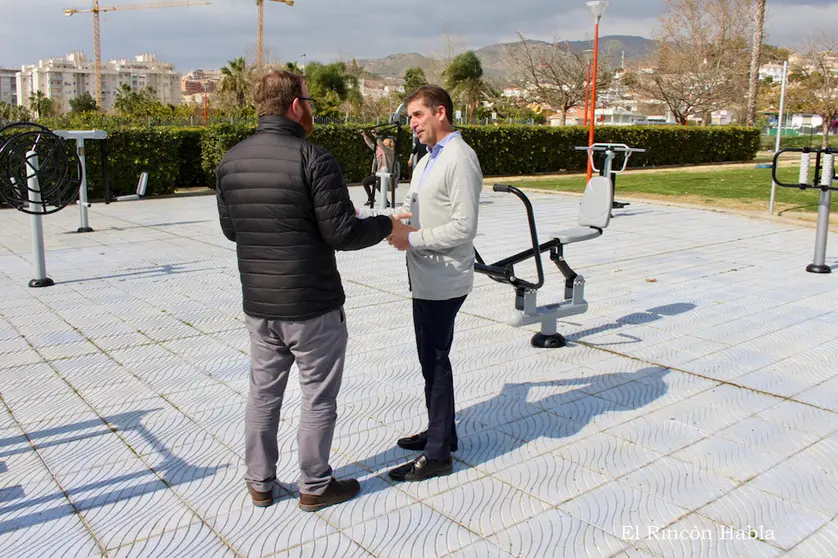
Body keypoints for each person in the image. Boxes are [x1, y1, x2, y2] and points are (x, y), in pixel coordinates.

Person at [215, 70, 403, 511]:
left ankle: (259, 482)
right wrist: (386, 224)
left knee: (263, 394)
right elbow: (341, 233)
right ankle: (315, 486)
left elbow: (231, 230)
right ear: (296, 106)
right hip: (312, 306)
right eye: (309, 100)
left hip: (260, 306)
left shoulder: (231, 161)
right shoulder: (314, 159)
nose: (312, 108)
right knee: (317, 396)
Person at [357, 85, 483, 482]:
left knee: (436, 360)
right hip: (424, 274)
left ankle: (438, 454)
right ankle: (442, 432)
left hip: (444, 277)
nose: (411, 124)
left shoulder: (459, 159)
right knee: (430, 358)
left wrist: (410, 238)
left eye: (417, 115)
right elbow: (418, 208)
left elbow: (464, 227)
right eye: (410, 117)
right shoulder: (429, 158)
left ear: (440, 112)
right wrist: (382, 218)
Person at [360, 131, 396, 207]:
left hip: (386, 173)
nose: (383, 141)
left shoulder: (389, 151)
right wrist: (365, 136)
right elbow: (371, 144)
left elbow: (381, 145)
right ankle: (372, 199)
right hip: (378, 173)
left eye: (385, 141)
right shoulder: (379, 149)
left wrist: (375, 135)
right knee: (366, 182)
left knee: (378, 186)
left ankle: (383, 201)